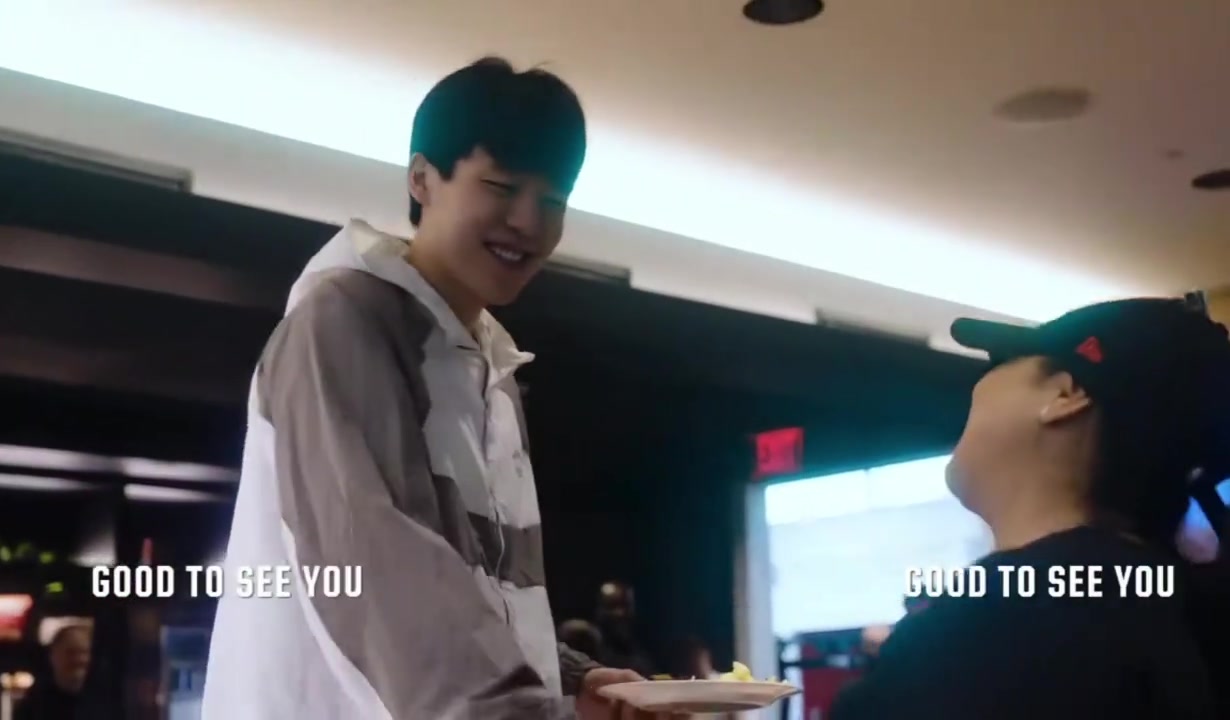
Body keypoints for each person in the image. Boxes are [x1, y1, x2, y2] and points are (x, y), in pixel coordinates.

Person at [202, 57, 680, 720]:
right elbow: (373, 571)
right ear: (422, 179)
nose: (528, 222)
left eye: (552, 201)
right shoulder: (344, 324)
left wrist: (570, 683)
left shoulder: (488, 366)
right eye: (501, 186)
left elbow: (471, 590)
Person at [831, 297, 1230, 720]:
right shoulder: (1184, 613)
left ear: (1065, 394)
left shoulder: (990, 627)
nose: (977, 387)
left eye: (1004, 362)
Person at [15, 625, 102, 720]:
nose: (79, 659)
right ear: (52, 656)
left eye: (84, 652)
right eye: (71, 652)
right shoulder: (34, 706)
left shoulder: (106, 701)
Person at [593, 582, 656, 678]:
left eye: (624, 606)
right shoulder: (589, 644)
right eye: (612, 606)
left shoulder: (639, 650)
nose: (619, 613)